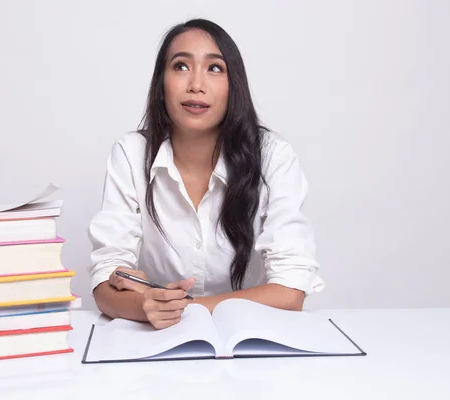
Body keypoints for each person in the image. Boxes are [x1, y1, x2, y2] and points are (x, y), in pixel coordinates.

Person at [87, 18, 324, 330]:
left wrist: (185, 308)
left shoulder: (273, 157)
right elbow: (106, 286)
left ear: (233, 86)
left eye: (214, 68)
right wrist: (144, 306)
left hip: (249, 339)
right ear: (161, 85)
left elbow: (291, 291)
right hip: (158, 343)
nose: (196, 84)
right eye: (181, 66)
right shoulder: (130, 155)